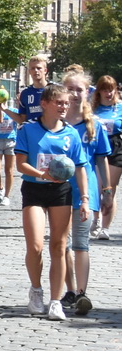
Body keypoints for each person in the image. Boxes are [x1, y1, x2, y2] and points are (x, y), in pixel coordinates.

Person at [14, 84, 89, 322]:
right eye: (59, 102)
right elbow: (20, 164)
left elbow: (80, 167)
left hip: (61, 192)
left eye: (66, 103)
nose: (64, 107)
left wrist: (85, 199)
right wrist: (42, 174)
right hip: (35, 189)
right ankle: (36, 290)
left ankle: (56, 301)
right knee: (35, 245)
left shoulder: (71, 134)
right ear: (45, 104)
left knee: (59, 245)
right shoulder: (29, 130)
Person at [61, 72, 107, 316]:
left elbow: (101, 159)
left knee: (81, 243)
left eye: (80, 89)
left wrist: (107, 190)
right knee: (62, 244)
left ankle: (81, 293)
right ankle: (69, 289)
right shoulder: (56, 123)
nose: (75, 93)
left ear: (88, 92)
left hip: (85, 191)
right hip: (58, 190)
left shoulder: (94, 124)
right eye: (70, 88)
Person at [94, 75, 121, 240]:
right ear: (99, 92)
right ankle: (95, 220)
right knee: (97, 187)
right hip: (97, 148)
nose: (108, 93)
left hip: (116, 146)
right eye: (104, 89)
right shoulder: (93, 109)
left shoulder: (120, 108)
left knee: (110, 189)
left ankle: (105, 227)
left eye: (111, 89)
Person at [0, 87, 18, 205]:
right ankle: (0, 188)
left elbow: (21, 119)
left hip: (11, 142)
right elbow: (0, 120)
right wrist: (0, 108)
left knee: (9, 171)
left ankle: (7, 196)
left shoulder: (13, 111)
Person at [12, 55, 49, 127]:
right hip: (32, 134)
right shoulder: (25, 93)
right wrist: (3, 108)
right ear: (29, 71)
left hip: (50, 133)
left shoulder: (54, 90)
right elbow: (22, 120)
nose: (36, 70)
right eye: (33, 68)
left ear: (45, 70)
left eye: (39, 68)